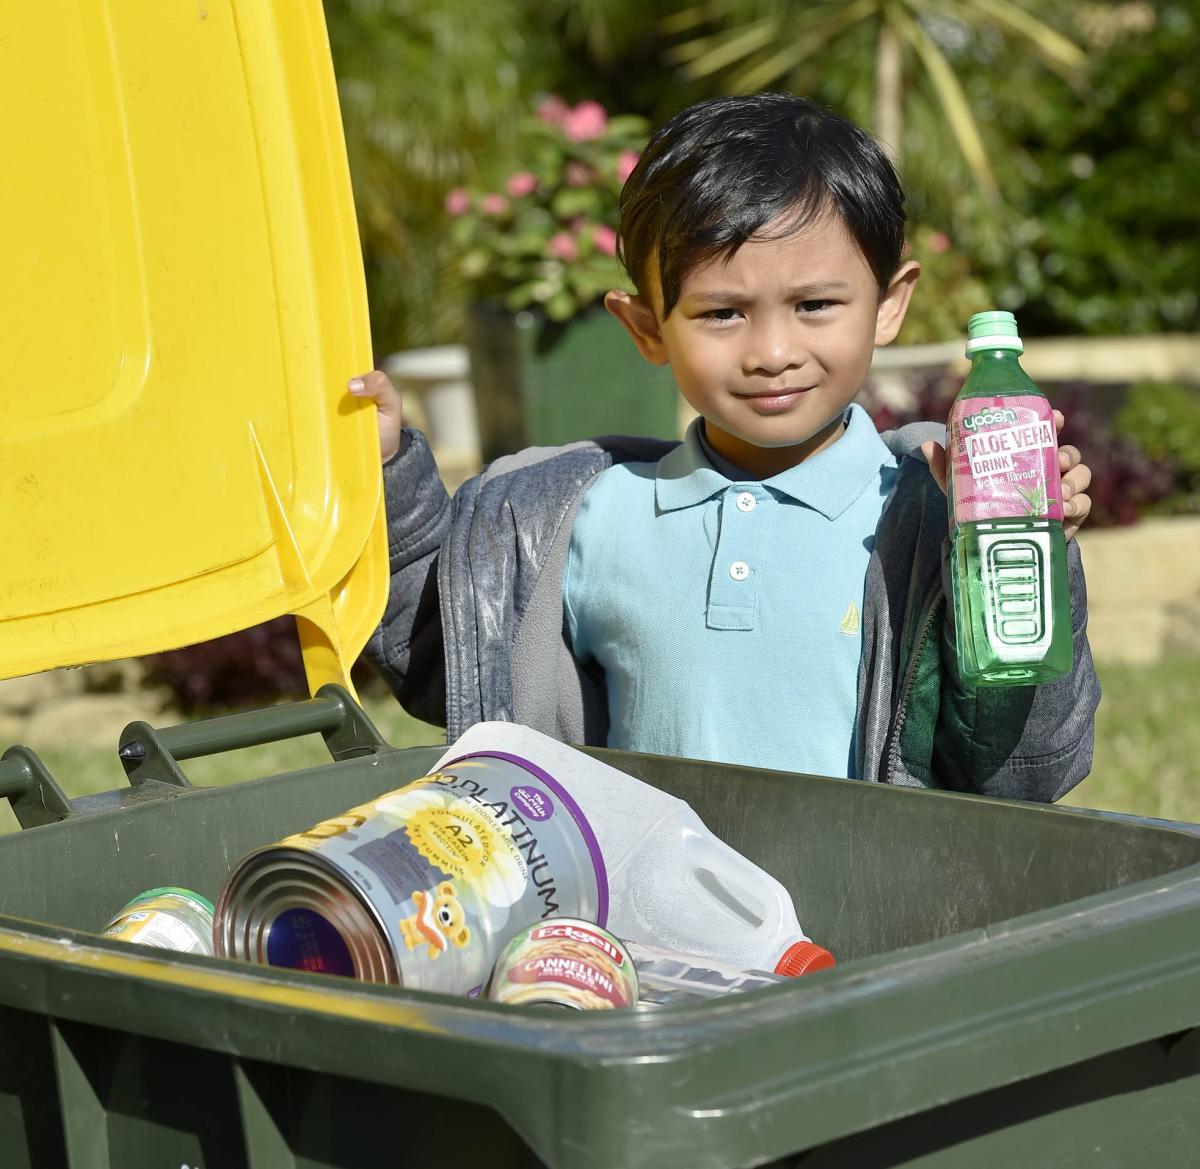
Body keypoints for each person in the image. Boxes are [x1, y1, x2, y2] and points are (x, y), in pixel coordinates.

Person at [348, 92, 1099, 800]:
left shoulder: (932, 517)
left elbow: (1021, 775)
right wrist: (387, 475)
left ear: (889, 305)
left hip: (876, 931)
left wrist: (1024, 562)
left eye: (815, 305)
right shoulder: (586, 522)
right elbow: (454, 663)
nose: (772, 351)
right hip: (652, 933)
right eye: (721, 314)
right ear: (646, 328)